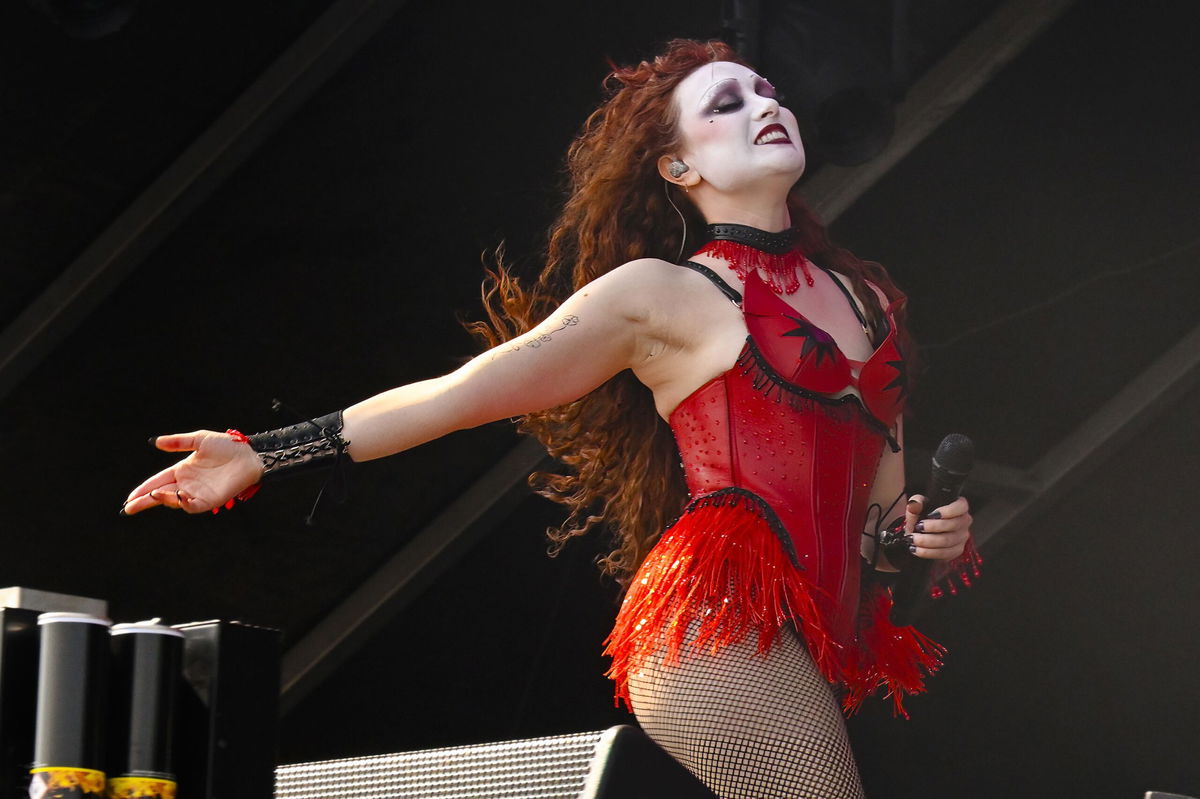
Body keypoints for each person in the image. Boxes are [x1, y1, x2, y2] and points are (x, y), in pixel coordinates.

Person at [124, 39, 978, 799]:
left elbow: (881, 523)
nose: (768, 106)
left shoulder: (869, 298)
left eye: (768, 91)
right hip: (714, 624)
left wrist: (921, 536)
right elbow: (459, 393)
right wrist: (260, 453)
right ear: (678, 169)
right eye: (729, 103)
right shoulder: (663, 293)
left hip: (813, 628)